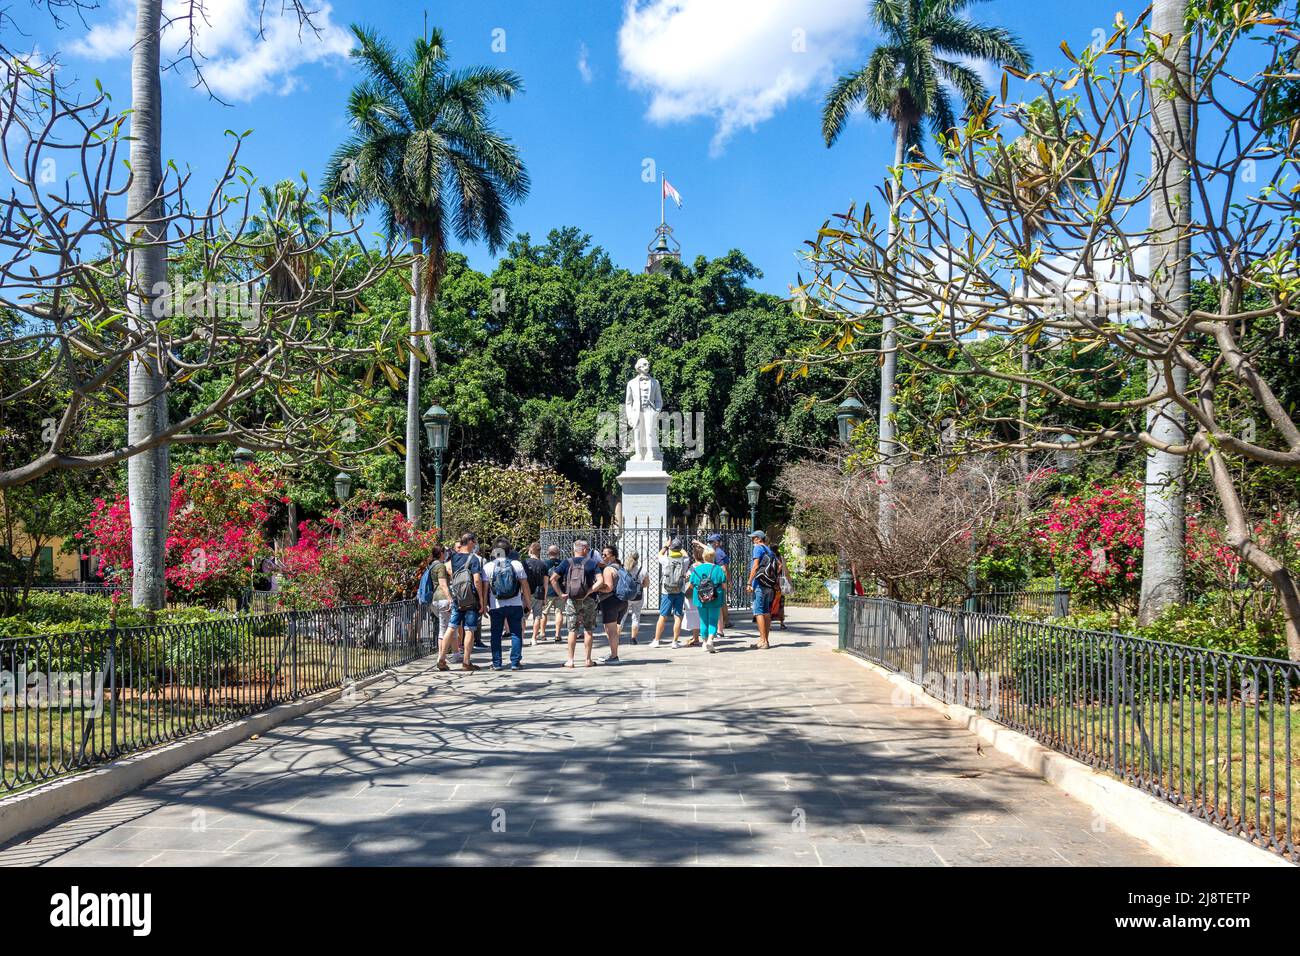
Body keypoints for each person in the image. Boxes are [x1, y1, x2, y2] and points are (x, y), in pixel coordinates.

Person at [550, 539, 602, 668]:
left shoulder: (566, 563)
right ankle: (588, 660)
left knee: (572, 630)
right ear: (584, 550)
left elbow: (553, 579)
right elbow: (600, 581)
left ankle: (570, 660)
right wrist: (589, 591)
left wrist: (561, 594)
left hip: (571, 600)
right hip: (588, 600)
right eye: (588, 549)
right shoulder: (592, 563)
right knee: (588, 630)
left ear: (574, 550)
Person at [483, 537, 529, 671]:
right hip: (515, 604)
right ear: (508, 551)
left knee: (496, 635)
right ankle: (515, 662)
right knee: (516, 633)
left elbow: (485, 588)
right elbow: (524, 585)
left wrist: (484, 604)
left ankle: (497, 663)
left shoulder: (488, 567)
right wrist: (527, 602)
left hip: (496, 605)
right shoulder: (517, 564)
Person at [444, 532, 486, 671]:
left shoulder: (454, 557)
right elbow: (477, 580)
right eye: (474, 541)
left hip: (457, 598)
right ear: (470, 542)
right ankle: (466, 662)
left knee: (451, 627)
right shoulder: (474, 559)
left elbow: (448, 570)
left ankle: (441, 658)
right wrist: (481, 600)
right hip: (471, 600)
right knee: (469, 630)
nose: (475, 544)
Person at [650, 536, 691, 648]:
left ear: (671, 549)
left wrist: (666, 545)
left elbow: (659, 554)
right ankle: (675, 642)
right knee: (678, 616)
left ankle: (657, 640)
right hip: (680, 590)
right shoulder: (685, 560)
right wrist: (680, 547)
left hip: (667, 591)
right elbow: (686, 554)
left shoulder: (666, 560)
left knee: (662, 616)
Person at [686, 545, 727, 653]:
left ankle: (704, 643)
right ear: (713, 557)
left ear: (704, 557)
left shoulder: (697, 569)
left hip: (700, 598)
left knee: (703, 620)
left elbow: (691, 585)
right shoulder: (718, 569)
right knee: (713, 620)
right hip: (715, 598)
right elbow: (723, 586)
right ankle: (710, 640)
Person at [746, 529, 779, 650]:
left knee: (758, 611)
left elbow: (755, 566)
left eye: (753, 538)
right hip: (769, 584)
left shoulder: (758, 548)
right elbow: (779, 566)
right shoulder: (769, 550)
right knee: (766, 611)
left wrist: (749, 582)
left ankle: (763, 641)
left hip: (759, 583)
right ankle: (765, 640)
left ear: (759, 539)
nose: (752, 540)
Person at [596, 545, 629, 664]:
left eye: (605, 555)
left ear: (613, 556)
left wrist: (596, 588)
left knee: (611, 631)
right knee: (613, 630)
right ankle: (613, 653)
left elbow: (609, 588)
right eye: (602, 554)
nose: (603, 556)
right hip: (622, 601)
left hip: (610, 601)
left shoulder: (608, 569)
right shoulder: (620, 567)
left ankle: (614, 656)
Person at [419, 545, 453, 657]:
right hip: (442, 599)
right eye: (445, 552)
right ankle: (442, 656)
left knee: (444, 628)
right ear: (442, 553)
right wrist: (450, 599)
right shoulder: (440, 566)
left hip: (434, 600)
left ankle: (446, 653)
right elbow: (443, 584)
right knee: (446, 629)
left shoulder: (431, 566)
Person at [522, 541, 550, 647]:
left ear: (530, 550)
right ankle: (534, 638)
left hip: (526, 592)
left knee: (523, 616)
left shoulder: (524, 563)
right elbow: (546, 583)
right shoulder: (543, 564)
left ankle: (521, 636)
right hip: (539, 593)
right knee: (537, 616)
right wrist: (545, 596)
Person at [621, 550, 650, 645]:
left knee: (621, 617)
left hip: (626, 596)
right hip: (638, 596)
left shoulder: (624, 569)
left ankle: (616, 637)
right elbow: (646, 584)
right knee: (636, 617)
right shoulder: (643, 570)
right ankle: (633, 638)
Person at [706, 532, 730, 640]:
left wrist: (725, 583)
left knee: (719, 606)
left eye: (711, 542)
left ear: (716, 543)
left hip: (718, 583)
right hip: (720, 582)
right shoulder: (718, 551)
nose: (709, 543)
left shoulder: (718, 553)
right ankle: (724, 624)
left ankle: (720, 630)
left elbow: (723, 569)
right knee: (721, 605)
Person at [541, 544, 565, 642]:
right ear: (558, 553)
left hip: (548, 591)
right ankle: (557, 634)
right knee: (559, 612)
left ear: (548, 553)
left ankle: (542, 633)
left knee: (544, 612)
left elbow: (543, 579)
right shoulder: (563, 563)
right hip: (560, 591)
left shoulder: (544, 564)